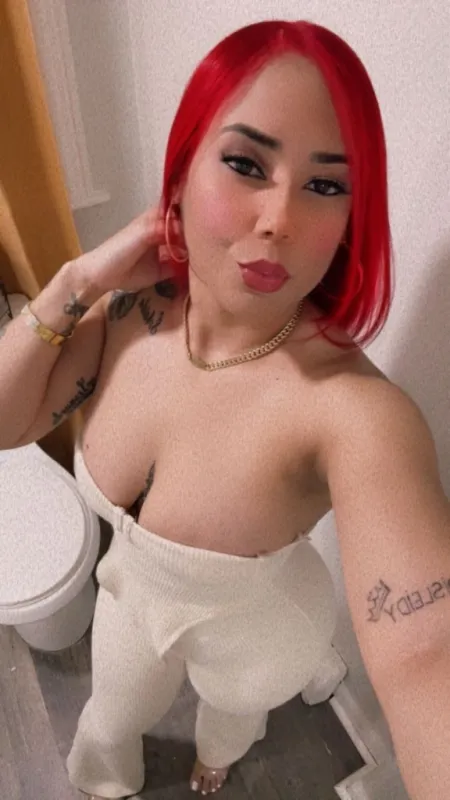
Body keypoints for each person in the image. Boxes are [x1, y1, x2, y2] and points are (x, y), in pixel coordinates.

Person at [1, 18, 449, 800]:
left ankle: (219, 757)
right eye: (246, 164)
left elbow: (427, 652)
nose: (278, 219)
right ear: (180, 174)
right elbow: (7, 425)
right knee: (112, 712)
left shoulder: (356, 412)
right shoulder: (128, 314)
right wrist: (78, 278)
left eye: (325, 185)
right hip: (130, 598)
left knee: (233, 720)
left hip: (264, 630)